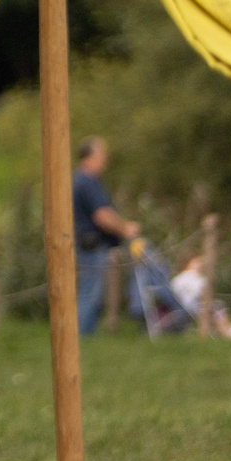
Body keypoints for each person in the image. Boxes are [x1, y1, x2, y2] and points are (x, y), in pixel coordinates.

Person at [72, 137, 140, 335]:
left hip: (90, 245)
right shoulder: (87, 182)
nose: (105, 159)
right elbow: (102, 216)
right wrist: (125, 228)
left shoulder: (84, 181)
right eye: (101, 155)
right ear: (88, 157)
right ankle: (83, 336)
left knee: (92, 292)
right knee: (91, 293)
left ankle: (85, 336)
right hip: (92, 246)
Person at [170, 249, 231, 339]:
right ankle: (225, 330)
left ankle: (226, 328)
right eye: (197, 262)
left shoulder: (177, 279)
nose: (200, 264)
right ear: (188, 263)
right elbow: (201, 292)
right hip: (194, 305)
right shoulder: (193, 277)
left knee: (215, 306)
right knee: (217, 306)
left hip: (184, 307)